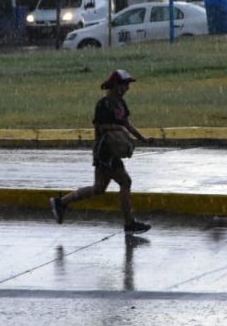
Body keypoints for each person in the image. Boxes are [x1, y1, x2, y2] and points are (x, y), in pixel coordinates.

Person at [50, 69, 151, 234]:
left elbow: (127, 124)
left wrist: (142, 138)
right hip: (105, 151)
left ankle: (61, 203)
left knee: (99, 188)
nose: (128, 88)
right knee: (125, 182)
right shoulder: (103, 104)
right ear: (117, 85)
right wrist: (117, 128)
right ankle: (129, 223)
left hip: (111, 151)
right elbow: (100, 126)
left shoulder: (121, 103)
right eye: (125, 84)